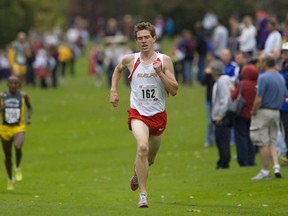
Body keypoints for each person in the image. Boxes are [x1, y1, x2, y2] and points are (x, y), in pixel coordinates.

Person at [109, 22, 178, 208]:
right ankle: (143, 194)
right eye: (140, 38)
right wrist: (113, 90)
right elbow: (117, 70)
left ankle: (136, 171)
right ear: (136, 41)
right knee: (142, 146)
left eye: (147, 37)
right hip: (138, 114)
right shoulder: (130, 60)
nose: (144, 40)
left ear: (154, 38)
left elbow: (174, 90)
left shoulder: (164, 61)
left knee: (150, 159)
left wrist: (160, 73)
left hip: (158, 116)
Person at [250, 55, 287, 180]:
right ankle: (276, 166)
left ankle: (265, 171)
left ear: (265, 63)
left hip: (264, 111)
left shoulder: (263, 77)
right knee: (272, 141)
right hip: (276, 112)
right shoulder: (280, 77)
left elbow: (259, 98)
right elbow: (285, 95)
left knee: (262, 142)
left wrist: (253, 111)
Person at [0, 75, 32, 190]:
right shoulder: (2, 96)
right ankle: (10, 179)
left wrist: (28, 117)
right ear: (7, 84)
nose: (13, 85)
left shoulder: (23, 95)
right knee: (8, 156)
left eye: (15, 83)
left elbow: (30, 108)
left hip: (18, 127)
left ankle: (17, 167)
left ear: (19, 85)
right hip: (5, 129)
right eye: (11, 83)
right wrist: (1, 109)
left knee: (18, 146)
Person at [231, 64, 259, 166]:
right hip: (253, 115)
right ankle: (251, 160)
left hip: (242, 115)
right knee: (251, 138)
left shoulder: (242, 84)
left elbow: (233, 96)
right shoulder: (257, 84)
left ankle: (243, 161)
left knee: (241, 138)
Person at [211, 59, 233, 169]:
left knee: (222, 140)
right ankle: (222, 160)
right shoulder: (222, 80)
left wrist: (221, 115)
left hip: (221, 117)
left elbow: (225, 99)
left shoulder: (222, 81)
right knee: (220, 140)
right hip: (219, 115)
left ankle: (224, 162)